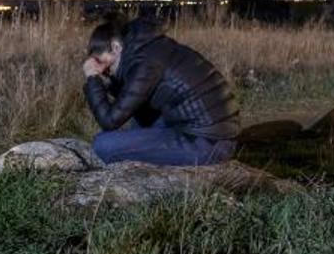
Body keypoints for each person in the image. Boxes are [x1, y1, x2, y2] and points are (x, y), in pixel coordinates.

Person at [81, 14, 240, 166]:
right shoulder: (147, 48)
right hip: (210, 130)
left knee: (102, 145)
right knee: (139, 118)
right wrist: (107, 83)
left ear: (115, 47)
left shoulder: (146, 63)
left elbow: (109, 121)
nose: (105, 70)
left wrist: (93, 78)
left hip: (208, 142)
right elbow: (131, 100)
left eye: (103, 63)